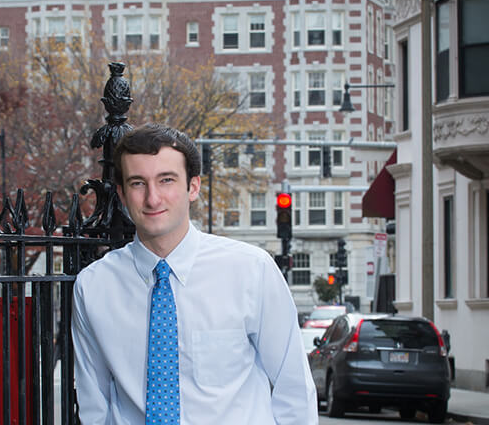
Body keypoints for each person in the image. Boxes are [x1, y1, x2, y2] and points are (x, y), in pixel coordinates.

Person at [71, 123, 317, 424]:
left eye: (166, 180)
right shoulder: (94, 286)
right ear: (121, 194)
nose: (152, 198)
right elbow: (94, 400)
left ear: (193, 187)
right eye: (138, 183)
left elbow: (294, 389)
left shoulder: (252, 270)